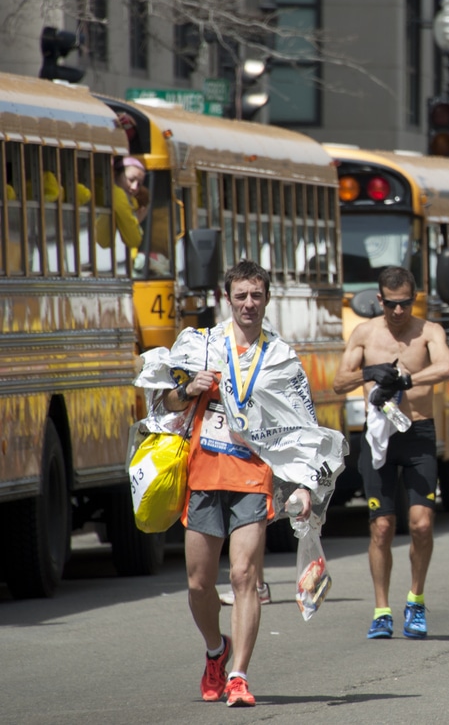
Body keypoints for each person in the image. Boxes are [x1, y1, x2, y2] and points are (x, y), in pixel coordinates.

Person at [134, 260, 344, 707]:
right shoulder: (201, 345)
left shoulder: (282, 359)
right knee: (198, 583)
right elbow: (162, 400)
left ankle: (239, 676)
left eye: (257, 295)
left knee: (246, 576)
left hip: (253, 475)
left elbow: (303, 427)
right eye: (241, 295)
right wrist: (189, 388)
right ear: (226, 299)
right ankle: (216, 650)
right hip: (203, 474)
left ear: (267, 299)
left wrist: (304, 485)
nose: (249, 303)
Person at [333, 266, 449, 640]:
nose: (399, 312)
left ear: (412, 299)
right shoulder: (365, 333)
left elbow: (446, 367)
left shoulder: (429, 331)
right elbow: (339, 381)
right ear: (380, 300)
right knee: (382, 527)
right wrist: (371, 371)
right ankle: (382, 610)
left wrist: (407, 379)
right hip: (379, 435)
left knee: (420, 524)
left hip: (418, 432)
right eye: (392, 305)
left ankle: (415, 600)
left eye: (405, 304)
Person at [95, 155, 148, 251]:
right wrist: (136, 221)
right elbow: (133, 240)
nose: (134, 187)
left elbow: (104, 241)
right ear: (115, 175)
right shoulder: (118, 195)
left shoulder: (114, 196)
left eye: (139, 184)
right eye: (131, 180)